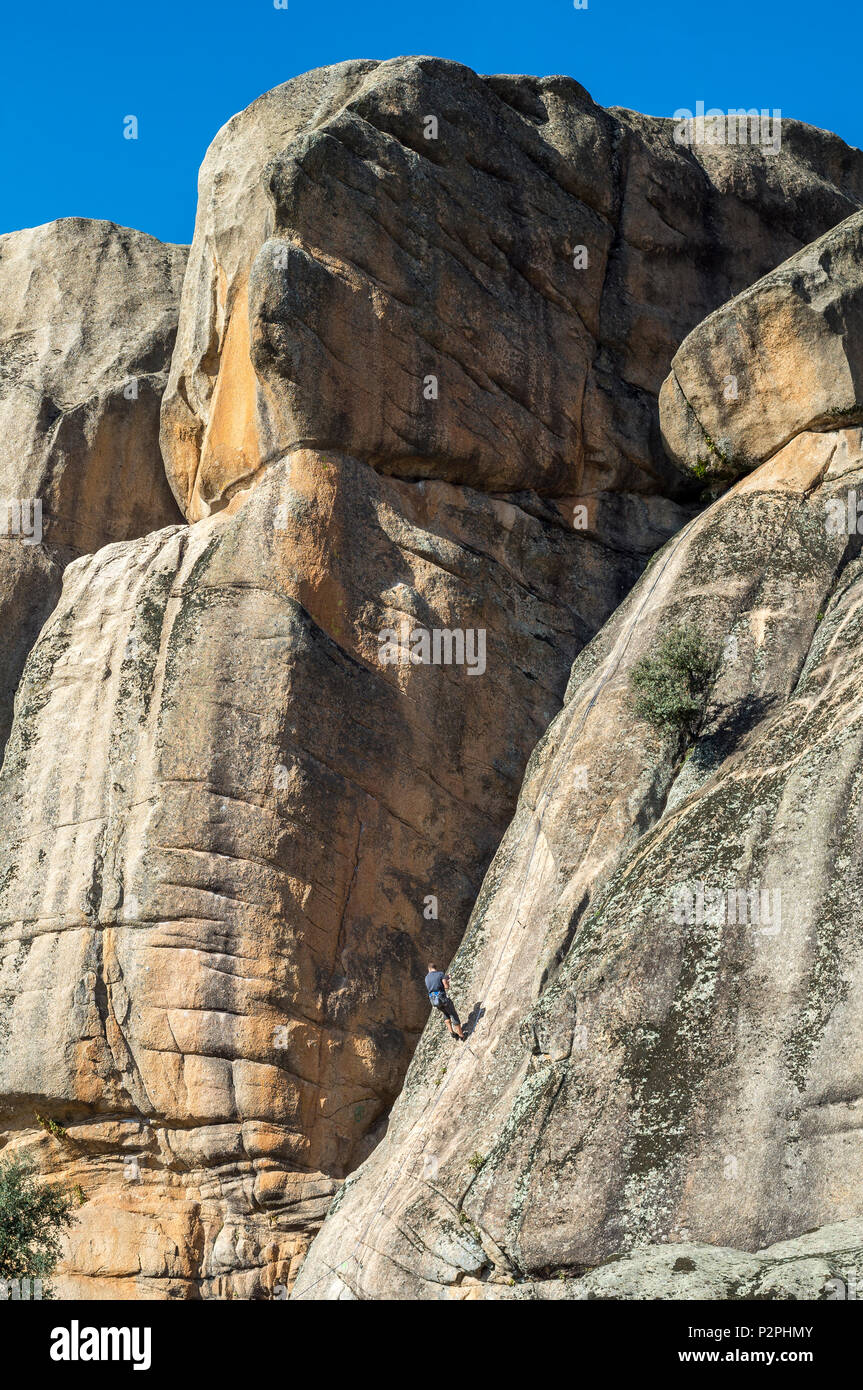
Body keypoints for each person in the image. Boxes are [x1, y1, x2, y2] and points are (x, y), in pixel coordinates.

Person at [425, 962, 464, 1040]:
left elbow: (433, 985)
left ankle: (451, 1032)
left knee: (445, 1012)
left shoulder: (426, 978)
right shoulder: (440, 974)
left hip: (433, 1000)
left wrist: (445, 978)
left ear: (429, 969)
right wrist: (447, 981)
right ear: (435, 968)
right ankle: (461, 1035)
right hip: (442, 997)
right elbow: (446, 986)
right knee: (453, 1014)